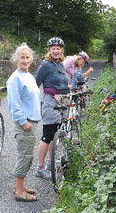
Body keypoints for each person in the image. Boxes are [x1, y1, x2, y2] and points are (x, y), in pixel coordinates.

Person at [7, 43, 41, 202]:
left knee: (28, 156)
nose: (25, 60)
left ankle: (20, 186)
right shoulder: (14, 79)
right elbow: (14, 106)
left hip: (32, 121)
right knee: (24, 156)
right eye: (22, 57)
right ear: (16, 59)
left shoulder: (28, 75)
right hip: (25, 124)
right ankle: (19, 191)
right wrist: (24, 123)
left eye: (28, 57)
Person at [35, 37, 69, 180]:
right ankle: (40, 168)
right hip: (50, 101)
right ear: (49, 50)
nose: (56, 50)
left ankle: (50, 163)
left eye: (58, 48)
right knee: (47, 135)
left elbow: (64, 82)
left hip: (63, 101)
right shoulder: (46, 64)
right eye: (53, 48)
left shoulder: (60, 64)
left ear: (61, 50)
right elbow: (36, 83)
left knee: (56, 133)